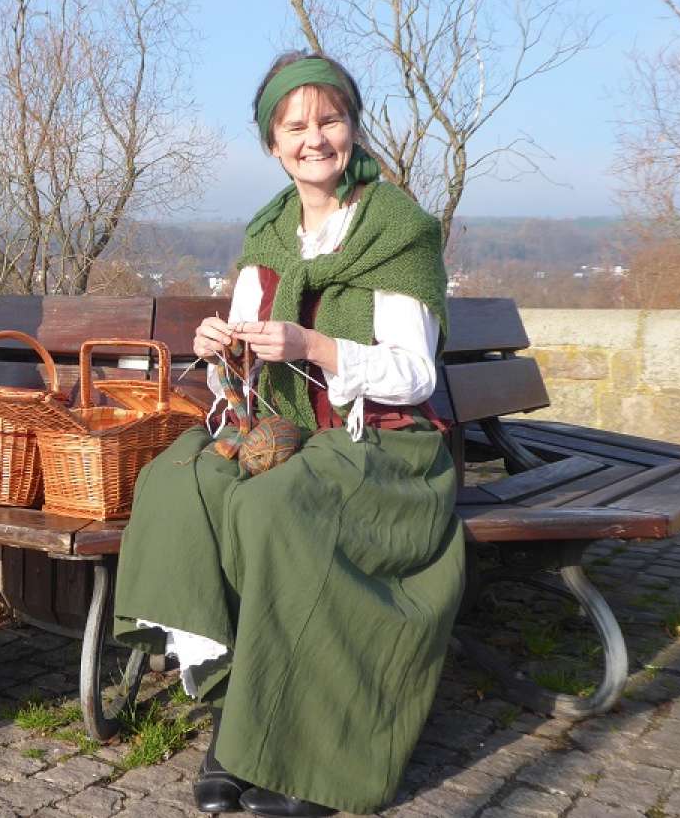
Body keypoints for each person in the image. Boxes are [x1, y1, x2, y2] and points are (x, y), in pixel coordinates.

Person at [112, 53, 463, 817]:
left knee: (275, 509)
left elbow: (415, 376)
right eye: (294, 125)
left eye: (329, 119)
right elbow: (234, 380)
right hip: (285, 432)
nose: (314, 138)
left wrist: (313, 346)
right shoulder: (268, 232)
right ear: (273, 143)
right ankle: (235, 712)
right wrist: (221, 351)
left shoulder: (397, 227)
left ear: (353, 127)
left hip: (388, 448)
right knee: (181, 482)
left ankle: (299, 752)